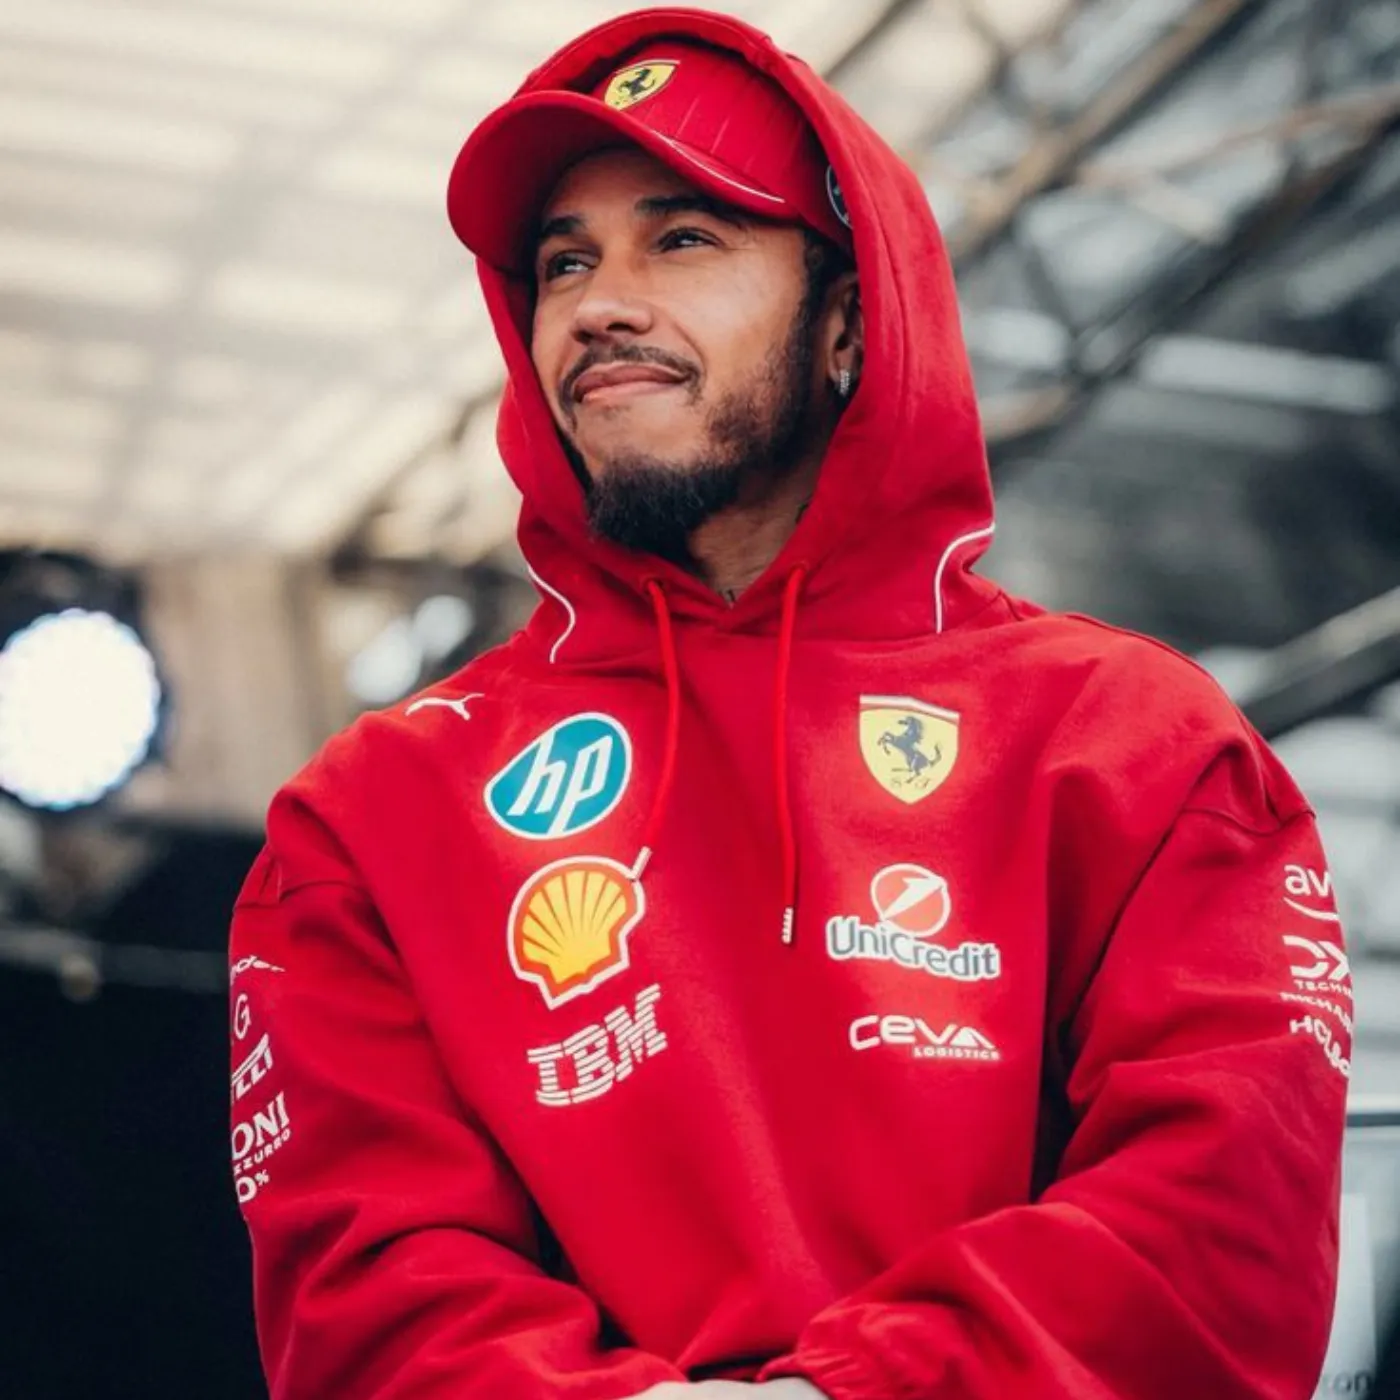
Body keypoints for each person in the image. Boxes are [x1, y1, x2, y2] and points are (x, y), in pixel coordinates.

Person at [227, 8, 1352, 1399]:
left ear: (848, 319)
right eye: (564, 262)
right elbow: (368, 1285)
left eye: (684, 238)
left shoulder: (1134, 741)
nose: (598, 304)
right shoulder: (370, 815)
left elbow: (1218, 1216)